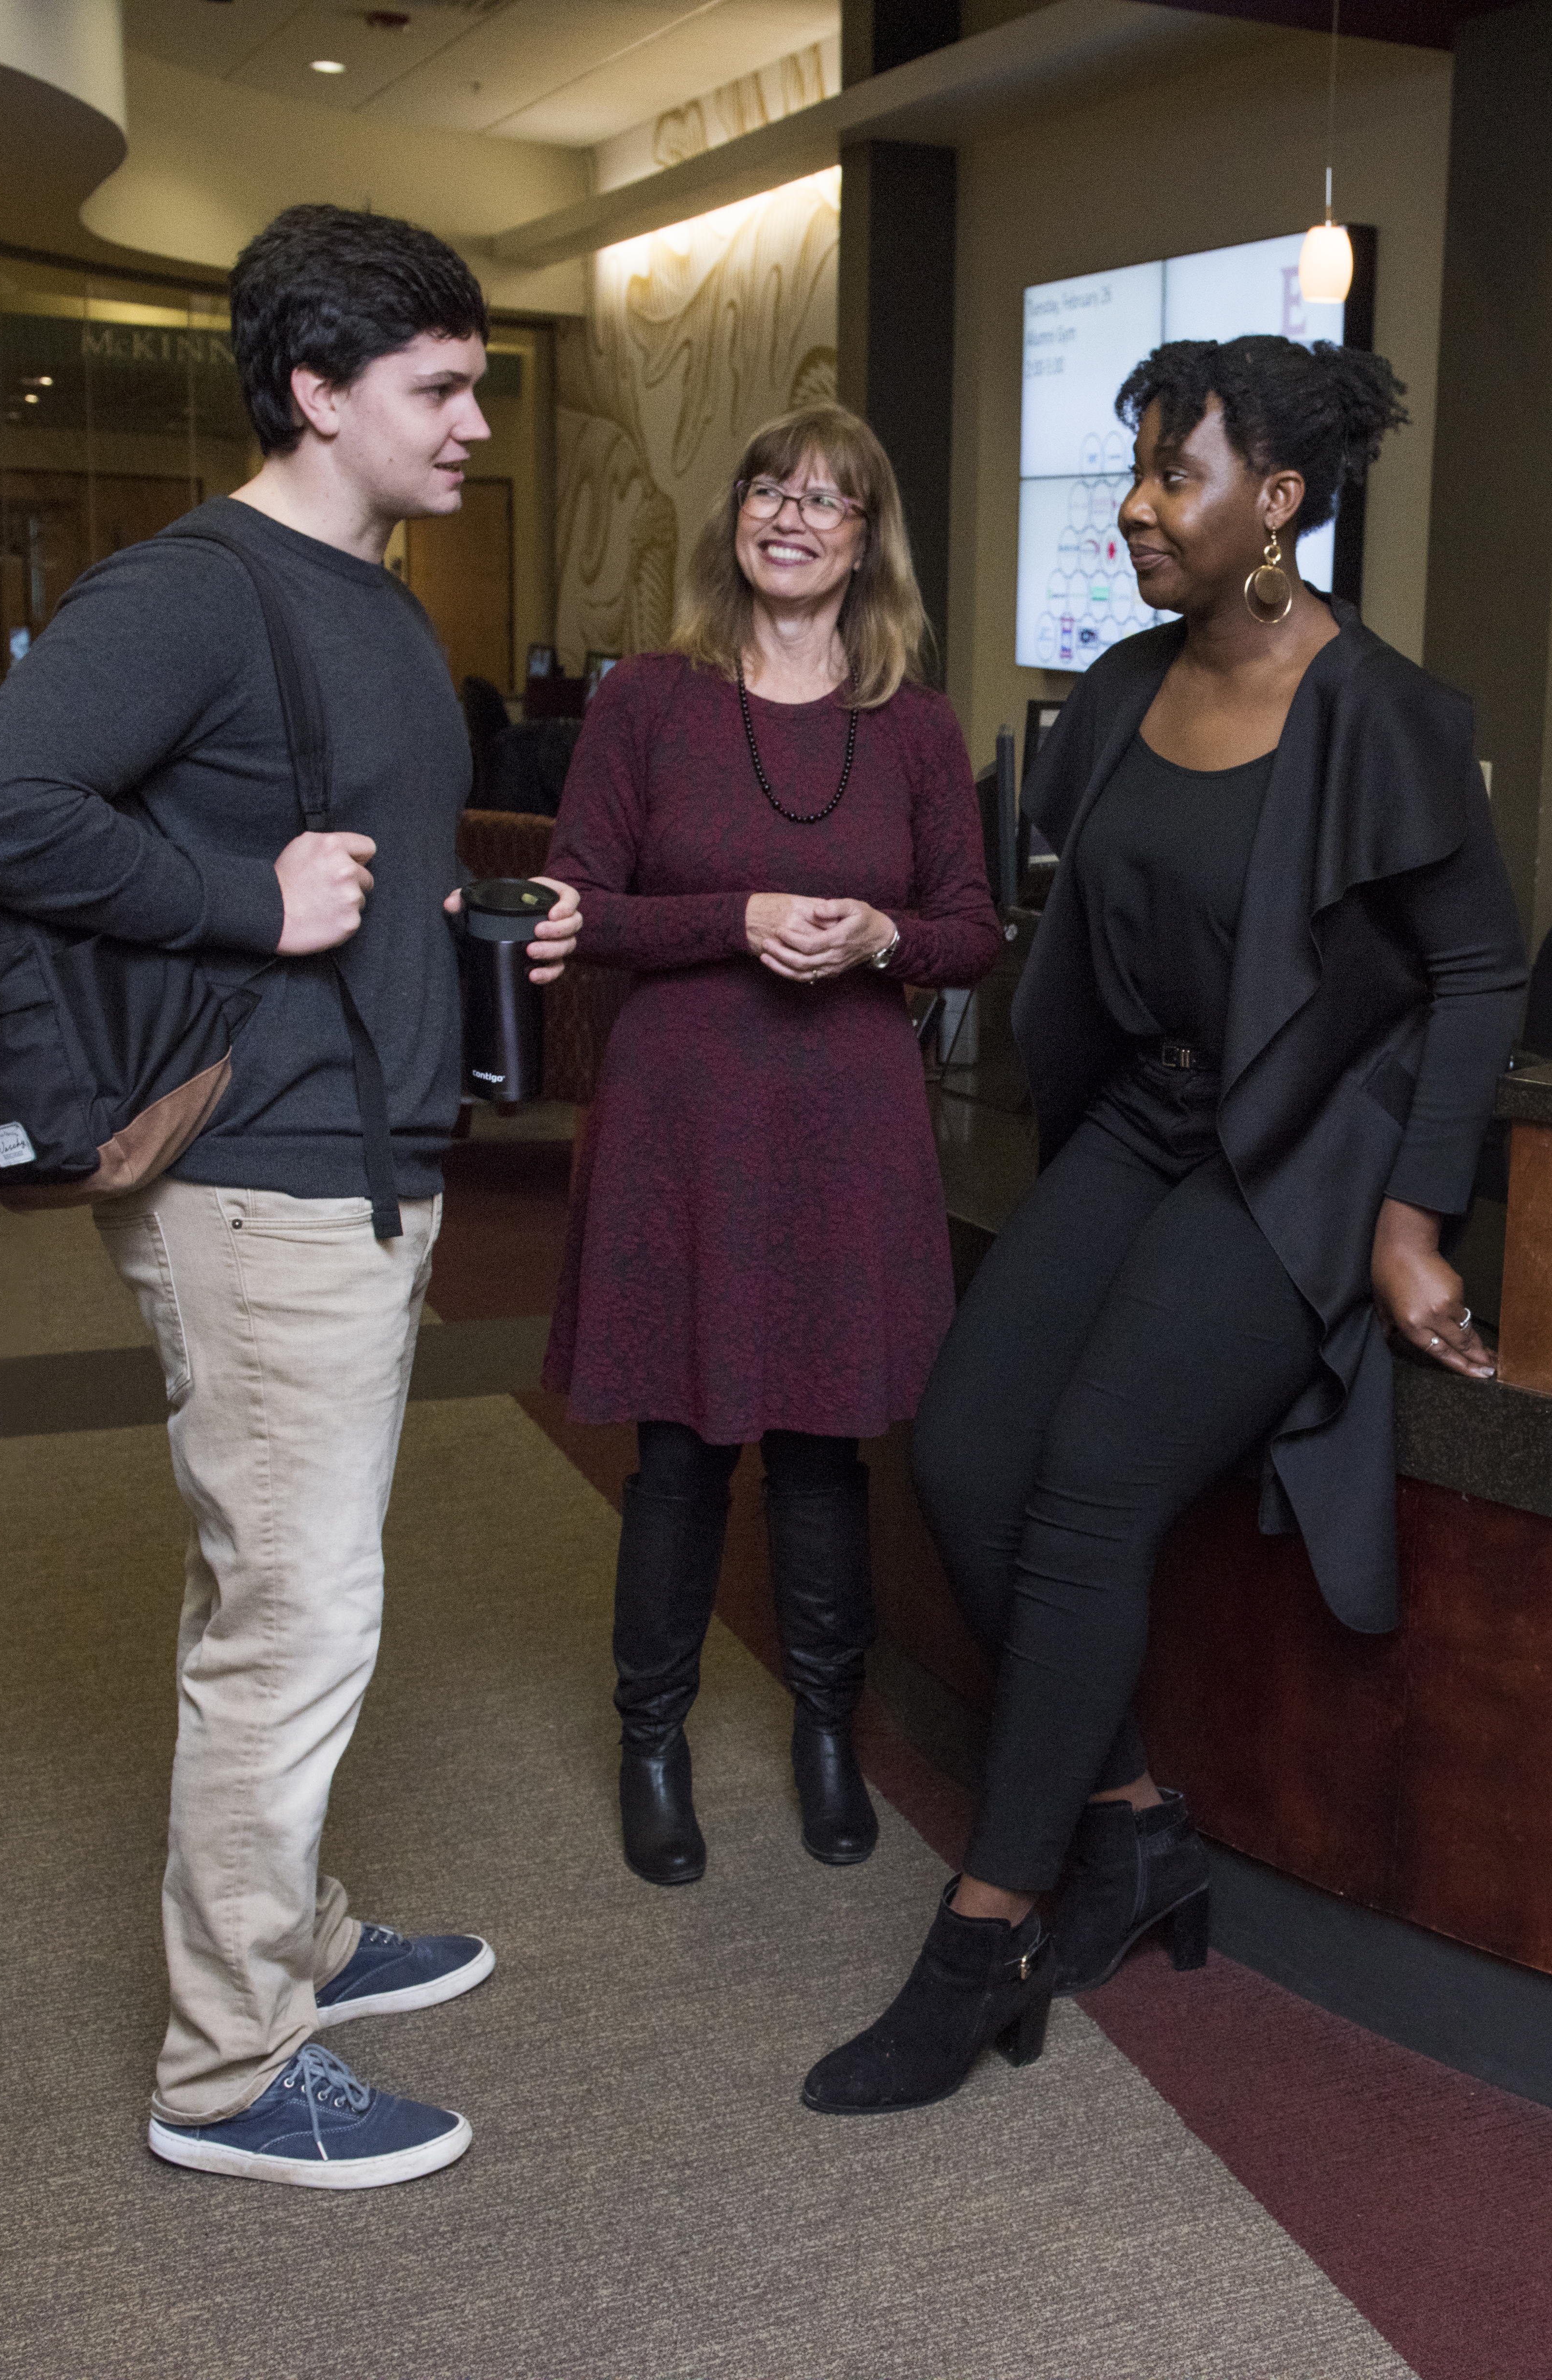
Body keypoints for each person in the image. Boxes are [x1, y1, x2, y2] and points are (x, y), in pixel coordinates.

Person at [0, 205, 580, 2190]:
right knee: (294, 1617)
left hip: (358, 1156)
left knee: (280, 1580)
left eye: (477, 384)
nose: (475, 424)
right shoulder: (195, 590)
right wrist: (244, 903)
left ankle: (293, 1934)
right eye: (439, 389)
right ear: (315, 391)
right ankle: (226, 2065)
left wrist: (481, 927)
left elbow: (347, 856)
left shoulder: (372, 590)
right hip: (258, 1177)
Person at [803, 337, 1525, 2115]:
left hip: (1296, 1159)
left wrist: (1416, 1216)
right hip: (1144, 1121)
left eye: (1171, 476)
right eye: (1135, 469)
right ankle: (1130, 1826)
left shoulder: (1389, 716)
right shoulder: (1121, 690)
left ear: (1277, 506)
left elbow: (1482, 968)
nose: (1137, 506)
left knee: (1096, 1484)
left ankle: (985, 1934)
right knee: (967, 1451)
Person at [542, 407, 1002, 1884]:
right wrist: (730, 918)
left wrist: (885, 938)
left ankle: (825, 1732)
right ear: (732, 517)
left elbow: (975, 934)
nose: (791, 517)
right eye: (768, 489)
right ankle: (652, 1740)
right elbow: (574, 911)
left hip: (848, 1125)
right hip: (687, 1120)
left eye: (829, 499)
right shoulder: (650, 706)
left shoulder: (915, 726)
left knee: (823, 1450)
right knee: (680, 1450)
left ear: (870, 540)